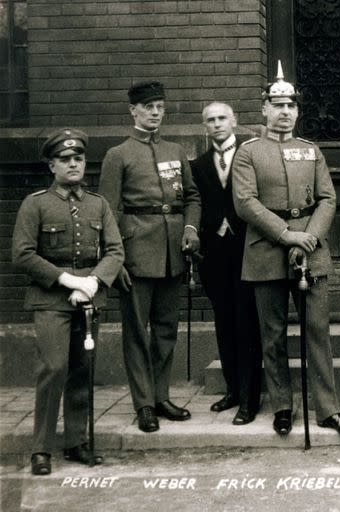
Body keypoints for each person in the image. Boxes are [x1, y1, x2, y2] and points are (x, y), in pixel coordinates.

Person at [231, 62, 340, 436]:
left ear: (297, 111)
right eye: (277, 104)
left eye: (291, 106)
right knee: (272, 336)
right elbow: (245, 202)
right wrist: (287, 235)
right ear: (265, 110)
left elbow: (327, 199)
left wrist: (311, 238)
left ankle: (328, 409)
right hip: (266, 249)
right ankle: (283, 407)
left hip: (311, 249)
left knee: (317, 333)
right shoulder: (248, 152)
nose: (284, 112)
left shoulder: (311, 150)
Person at [12, 129, 124, 475]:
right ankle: (41, 449)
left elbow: (116, 250)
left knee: (82, 371)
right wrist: (69, 280)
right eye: (65, 159)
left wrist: (91, 282)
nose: (73, 165)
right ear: (52, 165)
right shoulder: (36, 204)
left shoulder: (98, 204)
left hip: (89, 297)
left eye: (78, 159)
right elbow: (22, 254)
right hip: (50, 300)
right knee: (54, 368)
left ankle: (77, 442)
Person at [99, 81, 201, 433]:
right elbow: (107, 211)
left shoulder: (174, 150)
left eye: (160, 106)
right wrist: (116, 261)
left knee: (165, 330)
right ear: (133, 111)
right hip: (135, 255)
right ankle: (143, 404)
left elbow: (192, 198)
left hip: (174, 252)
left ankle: (161, 396)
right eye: (148, 107)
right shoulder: (119, 155)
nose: (156, 112)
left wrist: (191, 230)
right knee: (137, 333)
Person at [191, 102, 262, 425]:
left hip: (247, 248)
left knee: (247, 322)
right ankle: (233, 390)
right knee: (224, 320)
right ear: (205, 127)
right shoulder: (199, 164)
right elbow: (196, 203)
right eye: (210, 120)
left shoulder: (251, 156)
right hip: (214, 254)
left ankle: (250, 398)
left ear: (234, 121)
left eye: (222, 118)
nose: (217, 124)